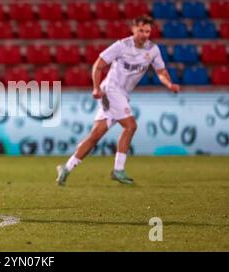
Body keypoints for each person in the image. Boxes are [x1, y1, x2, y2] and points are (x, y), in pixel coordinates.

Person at [56, 15, 180, 186]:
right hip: (111, 90)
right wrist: (96, 87)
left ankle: (66, 168)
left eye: (148, 31)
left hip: (122, 94)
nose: (145, 34)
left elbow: (161, 71)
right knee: (130, 126)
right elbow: (98, 65)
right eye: (141, 30)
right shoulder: (121, 46)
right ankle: (118, 169)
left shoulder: (153, 50)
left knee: (95, 135)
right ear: (133, 29)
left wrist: (169, 84)